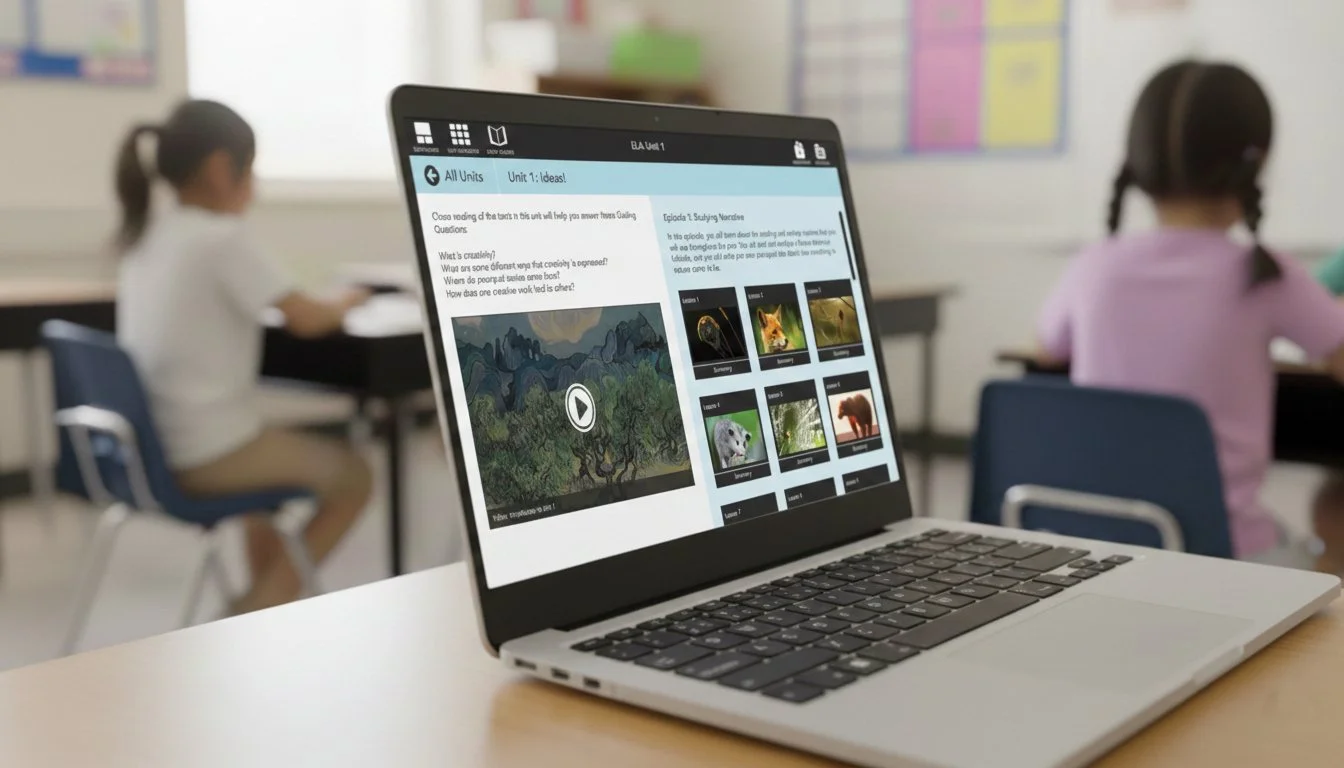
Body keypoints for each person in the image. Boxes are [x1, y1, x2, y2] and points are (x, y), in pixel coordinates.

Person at [1037, 60, 1344, 566]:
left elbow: (1047, 347)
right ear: (1255, 162)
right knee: (1334, 502)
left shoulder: (1094, 267)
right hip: (1226, 557)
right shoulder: (1264, 274)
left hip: (1100, 552)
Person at [114, 100, 372, 613]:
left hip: (146, 448)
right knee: (356, 476)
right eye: (250, 169)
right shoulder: (219, 239)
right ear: (219, 169)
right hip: (204, 453)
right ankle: (253, 610)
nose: (256, 184)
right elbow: (307, 318)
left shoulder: (150, 235)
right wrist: (350, 297)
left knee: (268, 492)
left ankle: (267, 611)